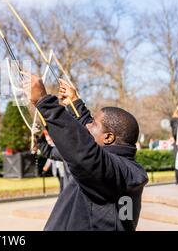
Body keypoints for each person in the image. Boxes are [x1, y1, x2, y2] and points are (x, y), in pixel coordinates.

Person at [22, 73, 148, 231]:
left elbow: (86, 153)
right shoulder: (120, 165)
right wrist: (74, 103)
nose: (88, 125)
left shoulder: (121, 171)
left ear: (108, 138)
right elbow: (89, 136)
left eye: (93, 123)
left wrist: (44, 102)